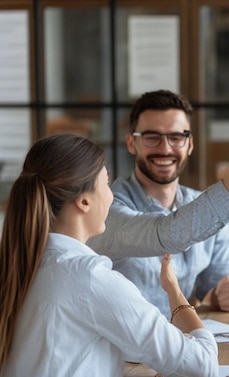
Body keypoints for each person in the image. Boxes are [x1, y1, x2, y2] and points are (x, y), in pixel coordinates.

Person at [0, 134, 217, 376]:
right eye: (106, 183)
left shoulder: (19, 264)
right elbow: (202, 364)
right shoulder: (88, 278)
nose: (111, 195)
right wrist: (175, 293)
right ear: (84, 201)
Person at [87, 79, 229, 316]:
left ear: (190, 144)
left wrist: (223, 294)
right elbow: (167, 233)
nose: (165, 148)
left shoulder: (205, 207)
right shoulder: (106, 209)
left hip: (184, 343)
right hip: (125, 350)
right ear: (131, 142)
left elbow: (215, 284)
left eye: (176, 137)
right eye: (151, 137)